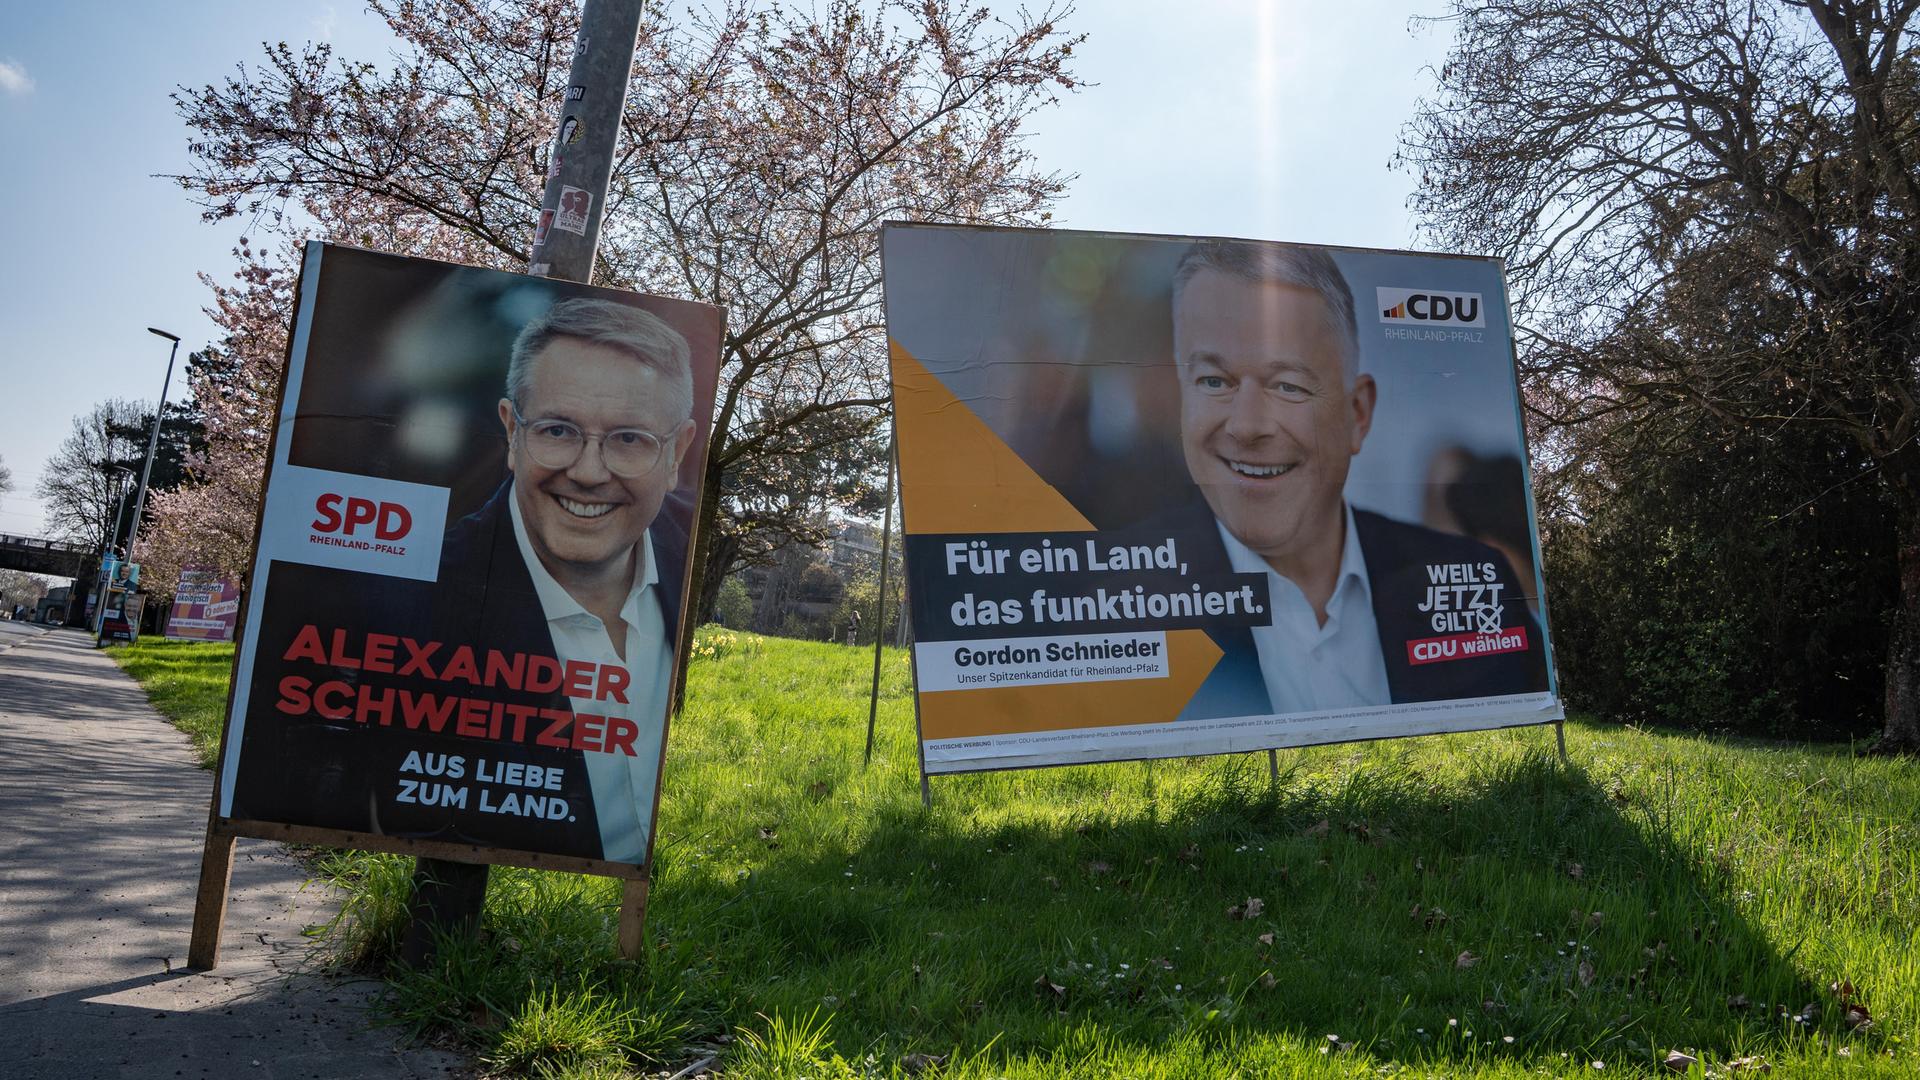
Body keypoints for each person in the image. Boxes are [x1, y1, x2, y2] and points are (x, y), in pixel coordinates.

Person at [232, 297, 698, 866]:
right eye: (557, 430)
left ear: (677, 452)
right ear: (511, 432)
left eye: (630, 439)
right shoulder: (403, 603)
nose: (588, 471)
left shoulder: (688, 545)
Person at [1160, 240, 1548, 717]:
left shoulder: (1477, 577)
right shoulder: (1112, 604)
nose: (1246, 425)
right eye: (1214, 382)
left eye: (1288, 386)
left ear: (1356, 413)